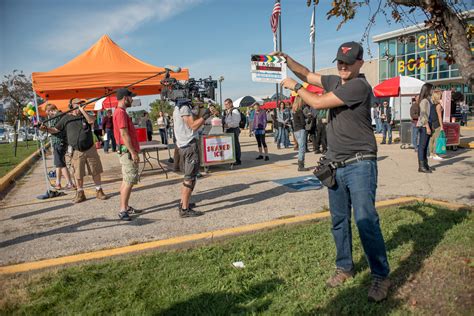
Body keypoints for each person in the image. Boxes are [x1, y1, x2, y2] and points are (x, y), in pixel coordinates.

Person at [276, 41, 391, 302]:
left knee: (365, 220)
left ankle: (380, 276)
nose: (342, 66)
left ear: (360, 63)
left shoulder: (359, 86)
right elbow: (306, 73)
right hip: (335, 165)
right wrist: (287, 60)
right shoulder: (334, 80)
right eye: (340, 61)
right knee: (339, 220)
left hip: (361, 163)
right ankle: (345, 267)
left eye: (348, 63)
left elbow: (316, 103)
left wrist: (295, 87)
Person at [41, 98, 108, 203]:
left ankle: (99, 190)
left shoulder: (85, 115)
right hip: (76, 150)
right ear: (71, 106)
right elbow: (55, 130)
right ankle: (80, 193)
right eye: (77, 105)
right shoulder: (66, 118)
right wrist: (45, 129)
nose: (80, 106)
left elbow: (91, 121)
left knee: (95, 170)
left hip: (90, 148)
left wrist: (83, 111)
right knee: (78, 173)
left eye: (81, 104)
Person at [173, 99, 217, 217]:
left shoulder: (178, 107)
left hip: (183, 145)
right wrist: (206, 115)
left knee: (189, 177)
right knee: (190, 178)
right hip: (189, 146)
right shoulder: (184, 107)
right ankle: (184, 209)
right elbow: (193, 126)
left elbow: (189, 123)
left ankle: (183, 202)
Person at [112, 88, 143, 221]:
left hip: (126, 151)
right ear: (125, 98)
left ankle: (125, 206)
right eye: (131, 98)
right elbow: (124, 133)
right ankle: (123, 209)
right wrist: (132, 152)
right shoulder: (121, 113)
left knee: (127, 180)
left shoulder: (121, 112)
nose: (132, 100)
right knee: (129, 181)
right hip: (127, 152)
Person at [45, 103, 75, 190]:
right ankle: (58, 183)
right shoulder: (61, 115)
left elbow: (53, 129)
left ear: (51, 110)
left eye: (48, 112)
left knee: (61, 164)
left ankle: (70, 183)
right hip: (61, 142)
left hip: (59, 142)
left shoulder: (56, 116)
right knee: (58, 163)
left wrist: (45, 128)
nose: (48, 115)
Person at [416, 83, 434, 173]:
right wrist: (427, 127)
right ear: (427, 90)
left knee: (425, 146)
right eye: (431, 89)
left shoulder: (428, 100)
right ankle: (421, 166)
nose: (433, 91)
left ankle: (425, 164)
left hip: (427, 125)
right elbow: (423, 115)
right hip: (424, 126)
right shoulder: (424, 101)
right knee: (422, 147)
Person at [292, 96, 309, 171]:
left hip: (295, 130)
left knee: (300, 148)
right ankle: (301, 166)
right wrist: (308, 119)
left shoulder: (294, 111)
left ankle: (300, 164)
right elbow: (303, 123)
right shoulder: (299, 111)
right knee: (302, 148)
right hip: (301, 130)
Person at [223, 98, 242, 165]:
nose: (225, 106)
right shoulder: (228, 111)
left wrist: (227, 125)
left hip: (233, 129)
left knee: (235, 145)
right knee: (232, 145)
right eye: (225, 104)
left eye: (227, 104)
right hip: (229, 129)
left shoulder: (234, 111)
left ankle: (237, 160)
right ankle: (233, 159)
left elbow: (236, 123)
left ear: (231, 103)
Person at [428, 90, 444, 161]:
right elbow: (439, 117)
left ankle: (431, 153)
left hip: (431, 124)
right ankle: (435, 154)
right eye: (441, 95)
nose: (442, 97)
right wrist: (442, 126)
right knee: (437, 139)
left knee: (432, 139)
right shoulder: (438, 105)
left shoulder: (431, 105)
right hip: (437, 124)